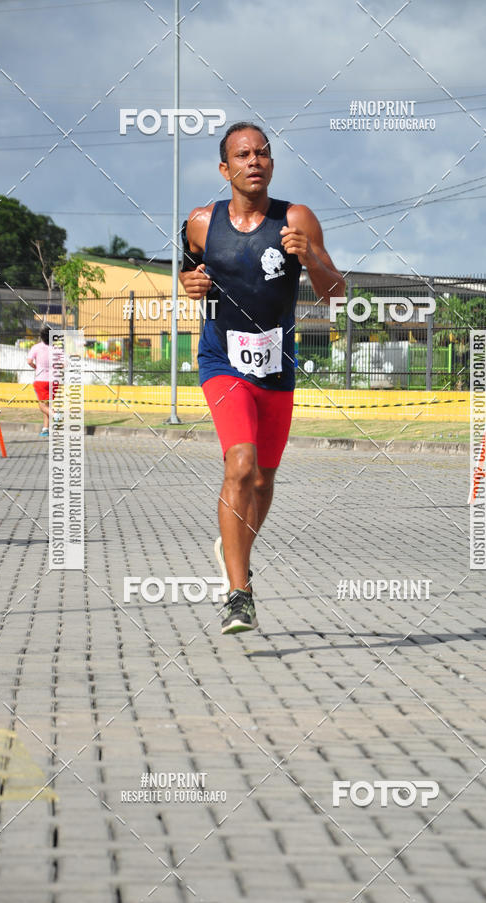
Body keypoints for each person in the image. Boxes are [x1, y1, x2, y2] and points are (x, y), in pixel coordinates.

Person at [179, 121, 345, 634]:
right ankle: (238, 593)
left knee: (265, 478)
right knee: (241, 464)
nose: (255, 161)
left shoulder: (296, 218)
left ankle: (233, 550)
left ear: (272, 164)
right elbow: (189, 275)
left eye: (263, 153)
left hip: (277, 364)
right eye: (243, 155)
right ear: (225, 168)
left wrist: (311, 255)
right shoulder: (202, 223)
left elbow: (335, 294)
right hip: (222, 360)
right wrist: (190, 283)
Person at [27, 325, 61, 437]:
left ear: (41, 336)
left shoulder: (36, 347)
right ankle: (46, 429)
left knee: (42, 406)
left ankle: (55, 415)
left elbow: (29, 361)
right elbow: (65, 363)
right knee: (47, 404)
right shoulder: (57, 349)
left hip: (41, 380)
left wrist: (36, 367)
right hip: (54, 381)